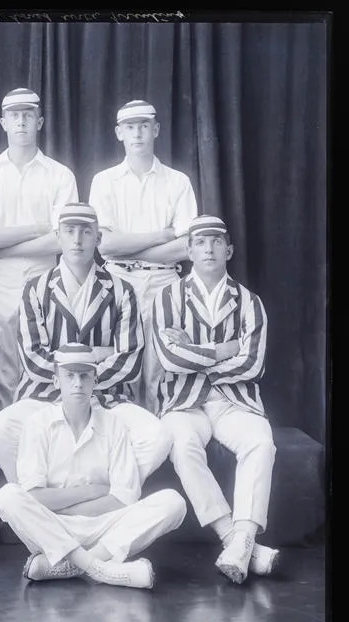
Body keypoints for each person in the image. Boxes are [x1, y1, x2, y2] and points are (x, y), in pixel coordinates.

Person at [0, 202, 172, 485]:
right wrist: (96, 355)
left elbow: (129, 361)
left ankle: (108, 494)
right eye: (69, 231)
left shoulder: (122, 290)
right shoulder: (35, 288)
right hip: (44, 395)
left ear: (99, 238)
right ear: (58, 237)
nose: (77, 239)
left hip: (107, 399)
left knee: (158, 436)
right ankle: (39, 498)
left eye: (86, 232)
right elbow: (33, 358)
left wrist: (79, 373)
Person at [0, 343, 187, 588]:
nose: (78, 383)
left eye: (85, 375)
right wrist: (91, 491)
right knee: (7, 496)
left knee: (174, 502)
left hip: (104, 528)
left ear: (95, 380)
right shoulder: (37, 423)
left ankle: (68, 566)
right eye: (69, 375)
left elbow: (123, 497)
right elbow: (34, 497)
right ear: (56, 381)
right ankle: (99, 569)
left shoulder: (114, 424)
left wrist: (63, 505)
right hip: (52, 528)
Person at [153, 215, 279, 584]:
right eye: (200, 242)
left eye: (216, 241)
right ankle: (236, 539)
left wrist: (194, 353)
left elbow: (253, 363)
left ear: (229, 250)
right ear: (188, 250)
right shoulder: (168, 297)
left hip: (234, 399)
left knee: (261, 442)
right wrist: (226, 349)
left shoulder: (249, 302)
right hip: (183, 401)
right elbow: (168, 359)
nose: (208, 248)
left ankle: (242, 534)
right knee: (181, 442)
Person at [0, 87, 79, 412]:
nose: (22, 123)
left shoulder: (60, 175)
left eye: (28, 116)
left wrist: (5, 245)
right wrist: (37, 228)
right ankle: (2, 446)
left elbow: (63, 240)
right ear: (3, 122)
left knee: (43, 359)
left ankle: (40, 442)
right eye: (15, 116)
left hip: (46, 275)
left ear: (39, 121)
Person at [88, 100, 198, 414]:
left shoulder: (178, 181)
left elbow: (186, 247)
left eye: (144, 126)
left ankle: (159, 438)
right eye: (130, 127)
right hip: (118, 278)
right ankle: (127, 437)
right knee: (121, 360)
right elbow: (105, 246)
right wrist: (162, 234)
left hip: (165, 278)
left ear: (156, 130)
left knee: (158, 367)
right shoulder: (104, 181)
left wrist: (130, 245)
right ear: (119, 133)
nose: (137, 133)